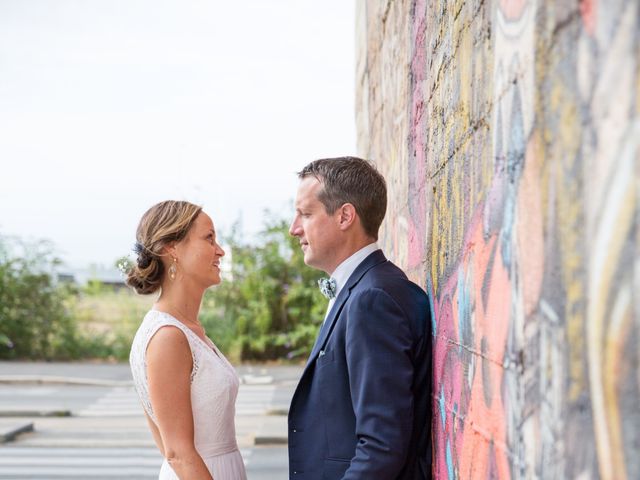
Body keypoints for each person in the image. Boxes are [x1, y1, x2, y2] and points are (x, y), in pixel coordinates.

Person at [287, 157, 432, 479]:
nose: (294, 228)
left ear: (345, 216)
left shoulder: (373, 299)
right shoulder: (368, 288)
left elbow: (382, 445)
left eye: (306, 214)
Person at [127, 200, 246, 480]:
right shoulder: (167, 337)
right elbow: (176, 453)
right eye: (209, 238)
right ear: (172, 248)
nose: (220, 250)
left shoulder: (187, 329)